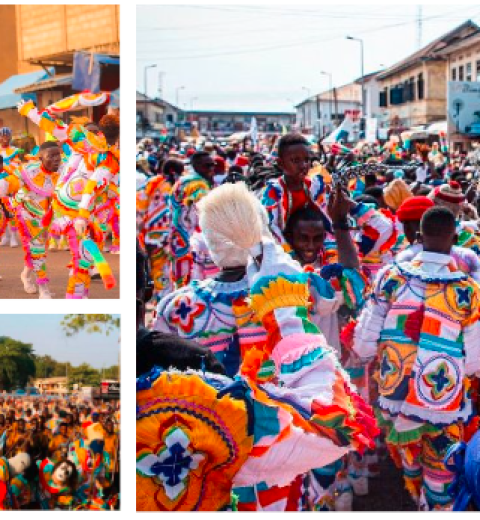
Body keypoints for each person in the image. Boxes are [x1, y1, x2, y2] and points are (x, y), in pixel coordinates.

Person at [352, 207, 480, 510]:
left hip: (394, 393)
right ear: (454, 240)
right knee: (442, 467)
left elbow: (365, 342)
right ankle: (433, 504)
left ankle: (415, 493)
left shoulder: (390, 277)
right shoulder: (467, 290)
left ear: (419, 237)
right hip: (443, 399)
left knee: (409, 457)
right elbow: (475, 359)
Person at [169, 151, 214, 288]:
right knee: (194, 284)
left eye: (213, 165)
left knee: (180, 282)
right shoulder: (199, 186)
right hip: (193, 243)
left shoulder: (181, 181)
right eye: (207, 166)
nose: (211, 169)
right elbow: (206, 215)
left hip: (177, 240)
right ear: (197, 166)